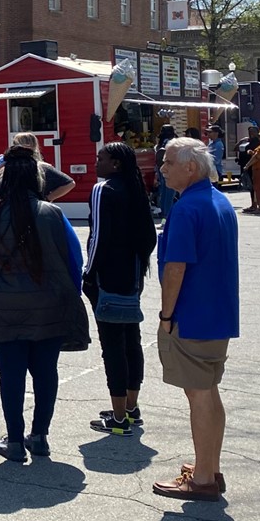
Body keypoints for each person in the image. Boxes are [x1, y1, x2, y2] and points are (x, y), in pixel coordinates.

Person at [0, 146, 86, 462]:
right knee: (46, 372)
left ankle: (15, 440)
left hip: (4, 309)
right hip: (50, 307)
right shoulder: (53, 213)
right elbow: (74, 260)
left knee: (12, 375)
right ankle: (41, 436)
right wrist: (70, 293)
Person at [152, 137, 239, 502]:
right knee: (207, 391)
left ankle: (203, 478)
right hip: (217, 313)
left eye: (169, 162)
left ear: (191, 167)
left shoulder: (187, 207)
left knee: (199, 394)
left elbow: (176, 267)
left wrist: (166, 315)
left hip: (192, 315)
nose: (162, 168)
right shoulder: (219, 200)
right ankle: (209, 467)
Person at [84, 142, 157, 436]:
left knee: (111, 345)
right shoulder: (135, 188)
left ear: (115, 163)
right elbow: (149, 237)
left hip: (107, 278)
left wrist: (88, 273)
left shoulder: (104, 189)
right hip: (133, 275)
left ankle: (117, 419)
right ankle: (130, 407)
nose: (96, 161)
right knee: (131, 341)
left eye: (101, 157)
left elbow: (97, 236)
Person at [0, 132, 76, 201]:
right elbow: (69, 183)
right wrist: (48, 199)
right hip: (35, 211)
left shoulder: (42, 168)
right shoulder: (4, 167)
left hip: (9, 212)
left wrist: (46, 199)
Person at [154, 124, 178, 219]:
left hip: (161, 168)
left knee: (163, 191)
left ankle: (163, 210)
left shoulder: (160, 142)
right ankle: (168, 213)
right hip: (170, 168)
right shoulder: (171, 141)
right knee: (170, 192)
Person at [235, 123, 260, 211]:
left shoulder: (258, 141)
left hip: (254, 166)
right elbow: (235, 148)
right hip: (245, 165)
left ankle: (256, 205)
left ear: (257, 133)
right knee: (250, 186)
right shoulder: (247, 141)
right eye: (249, 132)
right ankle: (253, 204)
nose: (251, 133)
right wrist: (241, 141)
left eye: (253, 132)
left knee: (255, 186)